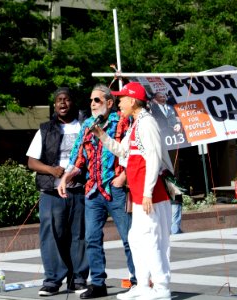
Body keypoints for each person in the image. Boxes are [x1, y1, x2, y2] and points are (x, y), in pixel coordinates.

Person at [91, 82, 173, 300]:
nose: (119, 102)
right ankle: (143, 285)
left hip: (150, 195)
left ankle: (161, 287)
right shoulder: (135, 124)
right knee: (136, 239)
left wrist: (147, 192)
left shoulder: (147, 123)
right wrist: (101, 135)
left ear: (134, 101)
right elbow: (122, 150)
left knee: (151, 239)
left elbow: (154, 158)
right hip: (139, 195)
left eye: (122, 98)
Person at [57, 83, 136, 299]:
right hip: (92, 191)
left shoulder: (123, 121)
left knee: (129, 238)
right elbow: (77, 158)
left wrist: (123, 177)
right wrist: (65, 178)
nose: (92, 104)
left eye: (97, 100)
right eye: (91, 100)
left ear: (109, 103)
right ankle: (98, 283)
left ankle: (138, 281)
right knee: (92, 238)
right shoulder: (88, 125)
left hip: (115, 188)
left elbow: (136, 152)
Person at [26, 87, 89, 296]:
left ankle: (78, 279)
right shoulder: (45, 129)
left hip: (79, 189)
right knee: (51, 235)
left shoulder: (85, 127)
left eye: (67, 100)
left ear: (73, 103)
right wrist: (51, 170)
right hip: (51, 192)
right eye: (58, 100)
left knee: (79, 235)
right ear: (54, 105)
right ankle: (52, 280)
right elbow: (32, 161)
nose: (62, 103)